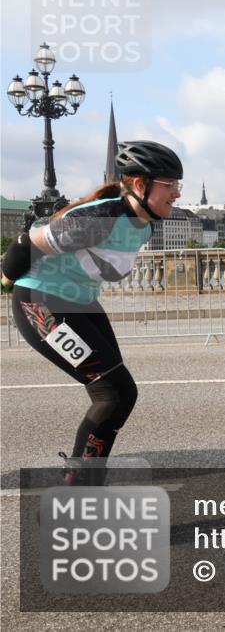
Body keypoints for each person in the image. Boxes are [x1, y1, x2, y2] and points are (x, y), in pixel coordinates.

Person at [1, 141, 184, 484]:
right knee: (113, 394)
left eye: (178, 185)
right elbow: (25, 244)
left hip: (80, 301)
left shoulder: (144, 224)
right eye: (169, 185)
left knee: (120, 394)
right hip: (41, 300)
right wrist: (7, 281)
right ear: (141, 185)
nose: (176, 194)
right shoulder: (100, 218)